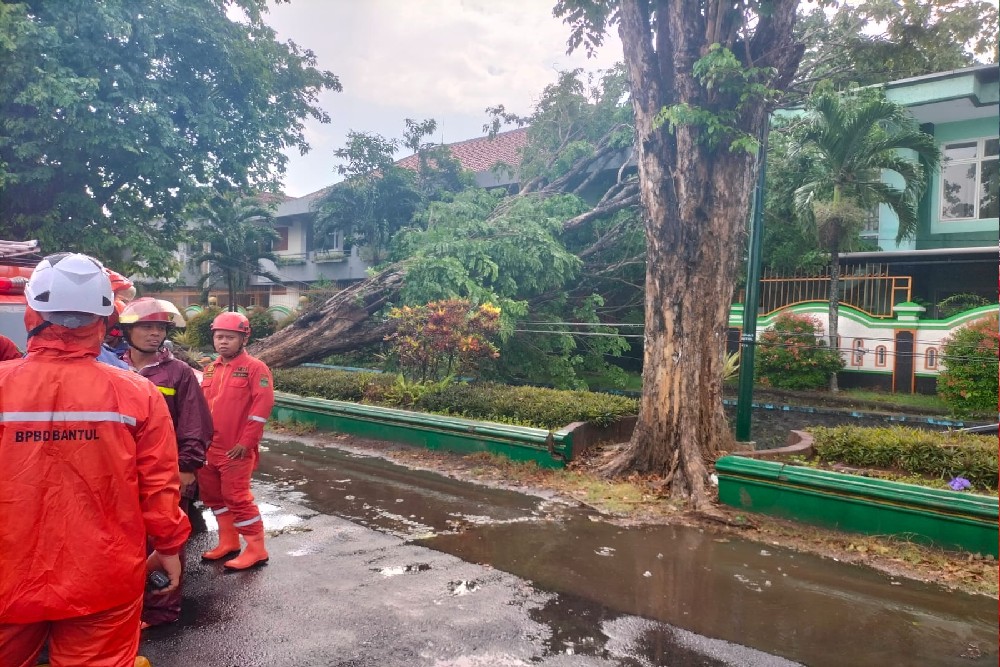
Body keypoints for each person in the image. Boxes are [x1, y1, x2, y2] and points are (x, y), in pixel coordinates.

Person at [0, 253, 190, 667]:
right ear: (105, 318)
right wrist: (170, 548)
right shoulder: (137, 393)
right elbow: (160, 489)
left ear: (32, 312)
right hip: (102, 580)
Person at [120, 297, 213, 628]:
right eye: (147, 327)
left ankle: (160, 610)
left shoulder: (179, 373)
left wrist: (187, 467)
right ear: (127, 330)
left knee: (165, 542)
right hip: (120, 473)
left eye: (160, 328)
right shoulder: (114, 367)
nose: (154, 334)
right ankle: (124, 606)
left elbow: (195, 423)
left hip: (167, 472)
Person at [198, 311, 275, 570]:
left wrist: (247, 441)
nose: (223, 342)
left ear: (243, 339)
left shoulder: (255, 368)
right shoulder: (209, 369)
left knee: (237, 497)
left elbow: (261, 407)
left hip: (235, 450)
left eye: (230, 337)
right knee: (214, 497)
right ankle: (228, 542)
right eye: (219, 336)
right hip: (209, 449)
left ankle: (256, 548)